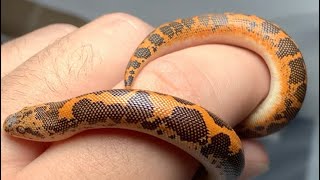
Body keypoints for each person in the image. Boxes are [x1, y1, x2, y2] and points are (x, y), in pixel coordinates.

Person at [1, 13, 270, 180]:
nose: (15, 128)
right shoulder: (69, 117)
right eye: (27, 129)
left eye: (26, 128)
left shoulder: (72, 117)